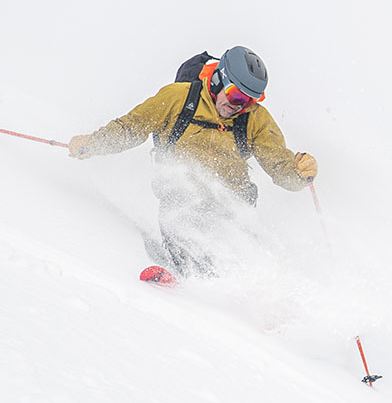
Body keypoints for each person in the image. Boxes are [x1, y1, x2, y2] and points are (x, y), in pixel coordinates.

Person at [67, 46, 318, 277]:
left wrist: (299, 173)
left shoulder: (254, 119)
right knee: (197, 257)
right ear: (219, 79)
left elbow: (279, 166)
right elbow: (131, 128)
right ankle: (187, 285)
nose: (239, 107)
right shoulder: (178, 99)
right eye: (235, 96)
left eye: (249, 101)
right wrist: (94, 143)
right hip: (181, 204)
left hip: (234, 206)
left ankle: (284, 305)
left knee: (255, 259)